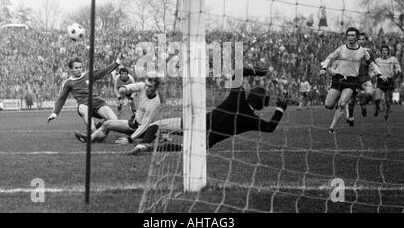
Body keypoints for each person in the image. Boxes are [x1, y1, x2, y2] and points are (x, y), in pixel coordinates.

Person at [127, 66, 288, 155]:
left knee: (157, 125)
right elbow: (269, 127)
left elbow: (238, 72)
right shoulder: (250, 119)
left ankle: (144, 144)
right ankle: (149, 147)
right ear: (262, 106)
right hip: (206, 141)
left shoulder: (237, 97)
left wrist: (258, 72)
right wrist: (280, 108)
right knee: (183, 149)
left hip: (196, 123)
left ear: (250, 94)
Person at [320, 27, 386, 134]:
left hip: (351, 81)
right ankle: (336, 102)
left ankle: (331, 128)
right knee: (328, 105)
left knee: (342, 104)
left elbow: (372, 63)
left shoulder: (362, 51)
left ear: (356, 37)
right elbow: (330, 57)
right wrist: (324, 68)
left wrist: (379, 74)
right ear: (346, 36)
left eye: (353, 35)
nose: (350, 37)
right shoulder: (341, 48)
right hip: (338, 78)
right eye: (349, 35)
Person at [74, 72, 162, 145]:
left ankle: (89, 139)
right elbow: (134, 86)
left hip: (139, 128)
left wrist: (129, 140)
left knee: (107, 124)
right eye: (146, 85)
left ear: (156, 87)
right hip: (133, 123)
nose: (146, 88)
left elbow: (144, 125)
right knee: (106, 124)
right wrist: (124, 89)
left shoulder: (154, 103)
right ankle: (92, 138)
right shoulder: (143, 86)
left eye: (150, 87)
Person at [47, 56, 122, 131]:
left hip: (97, 103)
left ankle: (100, 130)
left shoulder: (88, 75)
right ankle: (93, 132)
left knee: (114, 121)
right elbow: (61, 99)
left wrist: (117, 62)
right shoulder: (68, 83)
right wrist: (55, 113)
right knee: (83, 108)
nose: (79, 69)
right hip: (84, 105)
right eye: (76, 68)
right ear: (71, 70)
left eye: (80, 67)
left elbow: (104, 71)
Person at [345, 32, 375, 126]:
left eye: (363, 39)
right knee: (351, 98)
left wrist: (372, 73)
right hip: (353, 77)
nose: (361, 41)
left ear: (365, 41)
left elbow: (373, 65)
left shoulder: (369, 52)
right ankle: (351, 118)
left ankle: (363, 103)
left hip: (364, 77)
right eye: (359, 39)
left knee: (370, 92)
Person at [373, 45, 402, 121]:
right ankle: (377, 108)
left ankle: (386, 114)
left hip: (389, 81)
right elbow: (373, 69)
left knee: (388, 100)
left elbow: (398, 68)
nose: (384, 51)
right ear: (381, 52)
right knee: (377, 98)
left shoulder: (393, 59)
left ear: (388, 51)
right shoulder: (377, 60)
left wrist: (398, 71)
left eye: (386, 50)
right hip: (380, 80)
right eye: (383, 50)